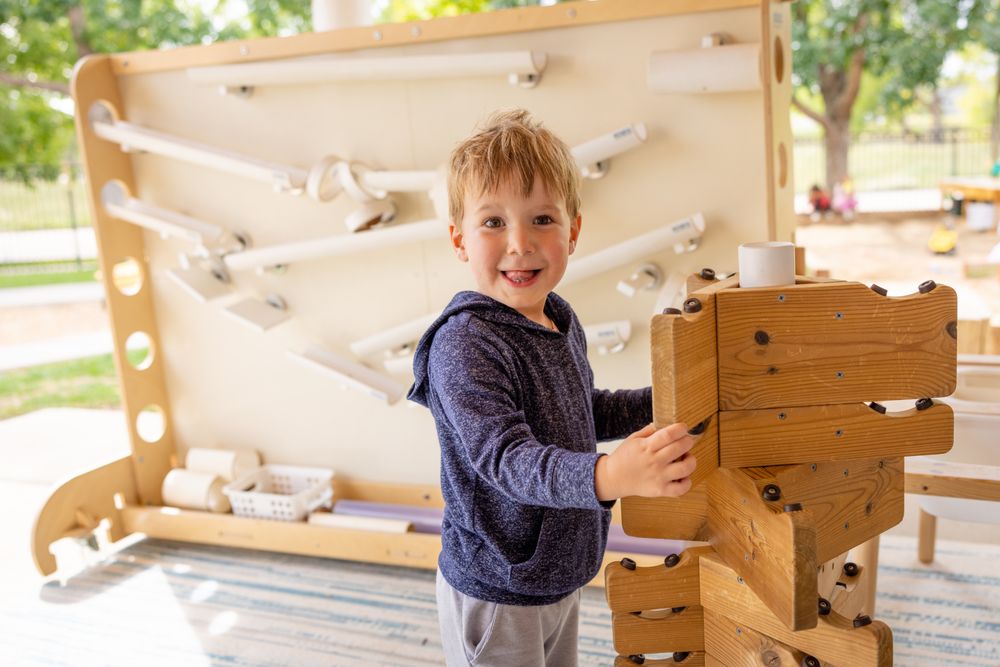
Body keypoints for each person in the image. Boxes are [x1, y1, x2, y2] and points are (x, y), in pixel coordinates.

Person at [407, 109, 697, 666]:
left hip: (557, 569)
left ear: (573, 232)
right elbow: (507, 461)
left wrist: (666, 401)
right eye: (493, 223)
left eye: (542, 219)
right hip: (498, 585)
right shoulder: (465, 344)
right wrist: (610, 474)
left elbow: (581, 412)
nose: (520, 243)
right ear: (459, 240)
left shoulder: (558, 319)